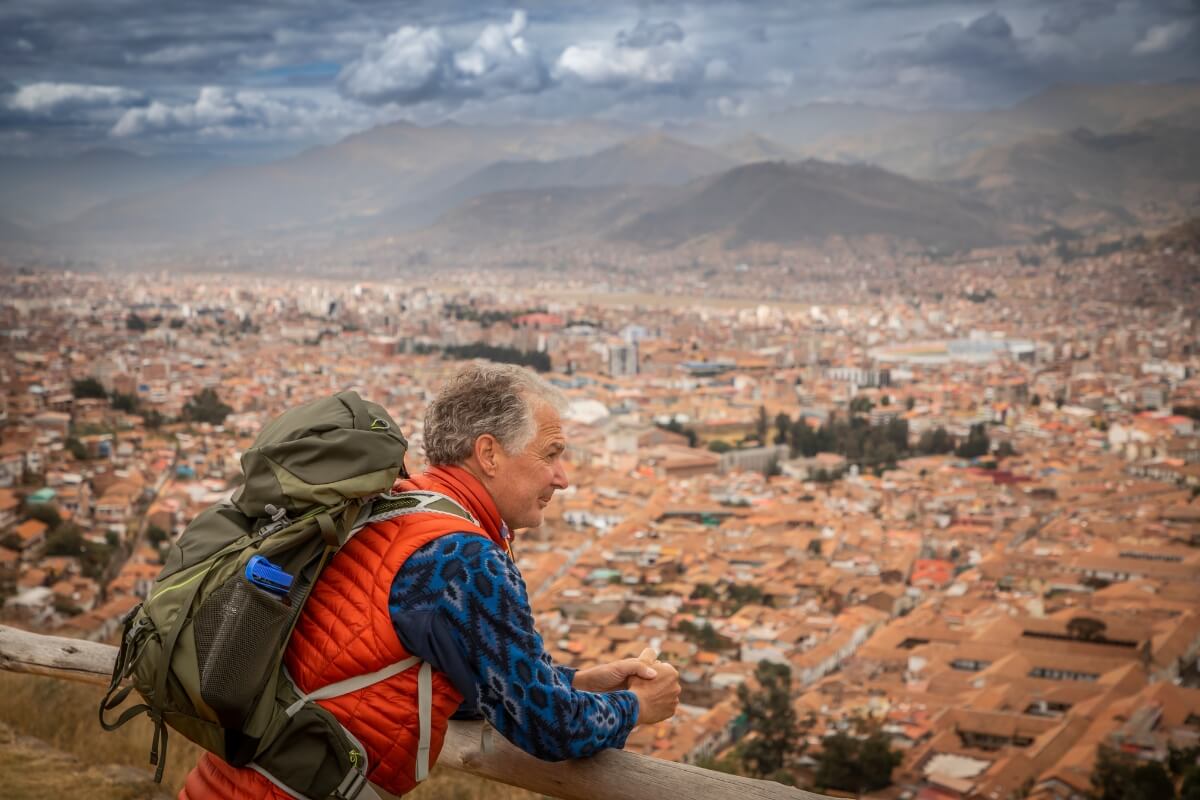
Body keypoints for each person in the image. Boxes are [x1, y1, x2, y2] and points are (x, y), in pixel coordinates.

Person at [180, 363, 681, 798]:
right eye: (550, 454)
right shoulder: (461, 557)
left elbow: (451, 674)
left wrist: (572, 682)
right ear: (488, 454)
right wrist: (636, 706)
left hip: (227, 781)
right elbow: (544, 726)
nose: (562, 477)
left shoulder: (392, 506)